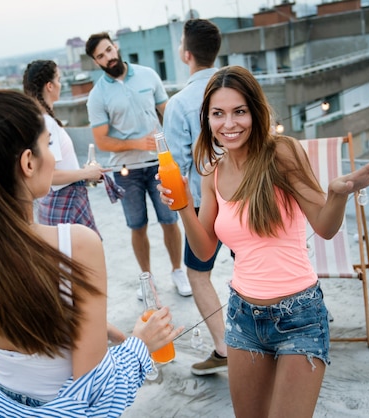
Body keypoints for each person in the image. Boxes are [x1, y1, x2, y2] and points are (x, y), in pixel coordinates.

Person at [159, 66, 369, 417]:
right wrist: (181, 207)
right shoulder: (212, 173)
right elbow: (205, 250)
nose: (229, 124)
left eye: (239, 111)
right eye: (218, 114)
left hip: (298, 315)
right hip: (242, 317)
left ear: (255, 111)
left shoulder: (282, 153)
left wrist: (337, 193)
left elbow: (325, 227)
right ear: (206, 119)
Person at [0, 90, 182, 416]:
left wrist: (79, 323)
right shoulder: (75, 245)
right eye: (48, 144)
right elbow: (95, 395)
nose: (54, 157)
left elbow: (3, 322)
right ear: (27, 162)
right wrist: (141, 346)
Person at [85, 32, 191, 298]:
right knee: (137, 225)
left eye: (109, 50)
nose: (108, 57)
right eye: (101, 56)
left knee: (170, 219)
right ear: (96, 62)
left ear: (116, 47)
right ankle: (148, 280)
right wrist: (137, 143)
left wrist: (177, 147)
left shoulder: (148, 75)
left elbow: (169, 114)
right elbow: (102, 141)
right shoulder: (97, 96)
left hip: (159, 164)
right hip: (126, 172)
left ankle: (178, 271)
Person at [163, 18, 228, 376]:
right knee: (255, 265)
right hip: (248, 194)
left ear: (187, 54)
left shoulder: (180, 102)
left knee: (197, 273)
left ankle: (223, 348)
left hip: (206, 205)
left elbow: (177, 168)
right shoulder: (239, 89)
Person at [22, 60, 107, 237]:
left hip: (59, 200)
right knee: (85, 256)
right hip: (64, 201)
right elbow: (50, 175)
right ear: (49, 86)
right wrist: (86, 173)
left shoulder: (38, 120)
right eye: (59, 79)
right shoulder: (47, 123)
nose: (61, 85)